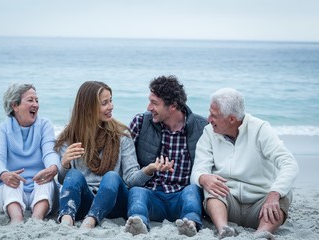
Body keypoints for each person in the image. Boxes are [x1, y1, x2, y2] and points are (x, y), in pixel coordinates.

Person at [190, 88, 299, 239]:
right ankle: (223, 230)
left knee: (284, 193)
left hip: (261, 207)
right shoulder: (209, 132)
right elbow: (198, 170)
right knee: (211, 185)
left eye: (214, 116)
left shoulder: (260, 129)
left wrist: (274, 194)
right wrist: (203, 178)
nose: (209, 119)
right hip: (226, 206)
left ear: (232, 119)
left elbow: (289, 163)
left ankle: (260, 234)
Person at [54, 81, 156, 229]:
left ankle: (91, 221)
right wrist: (64, 165)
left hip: (113, 204)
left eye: (111, 100)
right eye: (104, 103)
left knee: (112, 176)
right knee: (74, 174)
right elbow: (66, 181)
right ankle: (66, 219)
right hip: (85, 202)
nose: (111, 106)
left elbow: (130, 179)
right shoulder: (69, 137)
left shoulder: (121, 135)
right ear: (89, 108)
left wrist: (148, 170)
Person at [125, 75, 208, 237]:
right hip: (152, 194)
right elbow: (127, 167)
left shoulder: (202, 127)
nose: (149, 107)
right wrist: (149, 170)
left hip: (182, 194)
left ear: (173, 106)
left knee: (192, 191)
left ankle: (190, 222)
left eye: (155, 103)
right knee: (137, 192)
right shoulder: (141, 122)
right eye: (150, 101)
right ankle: (138, 223)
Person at [0, 83, 60, 224]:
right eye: (30, 100)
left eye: (37, 100)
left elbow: (49, 152)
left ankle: (36, 219)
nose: (35, 104)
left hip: (39, 190)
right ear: (14, 105)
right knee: (12, 181)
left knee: (44, 179)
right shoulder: (2, 129)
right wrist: (4, 174)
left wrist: (53, 167)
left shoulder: (45, 125)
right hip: (13, 191)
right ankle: (16, 220)